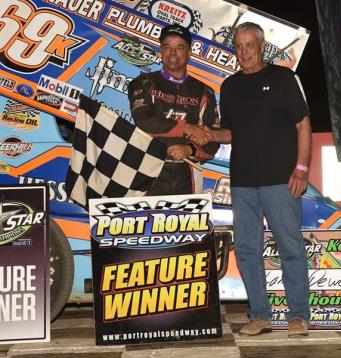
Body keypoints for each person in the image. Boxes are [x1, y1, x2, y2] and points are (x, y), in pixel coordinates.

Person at [191, 22, 311, 337]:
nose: (244, 51)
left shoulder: (284, 78)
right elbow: (231, 132)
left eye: (249, 45)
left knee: (290, 247)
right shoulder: (229, 86)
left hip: (281, 183)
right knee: (246, 249)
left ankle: (298, 316)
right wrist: (211, 134)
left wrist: (301, 168)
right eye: (239, 46)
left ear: (261, 46)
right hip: (242, 184)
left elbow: (303, 124)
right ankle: (260, 315)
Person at [128, 24, 220, 195]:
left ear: (189, 53)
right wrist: (186, 127)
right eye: (167, 47)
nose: (172, 53)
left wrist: (189, 149)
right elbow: (144, 121)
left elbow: (213, 138)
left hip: (188, 175)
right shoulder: (144, 82)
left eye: (179, 47)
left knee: (188, 223)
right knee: (140, 222)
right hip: (145, 168)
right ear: (160, 51)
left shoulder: (204, 92)